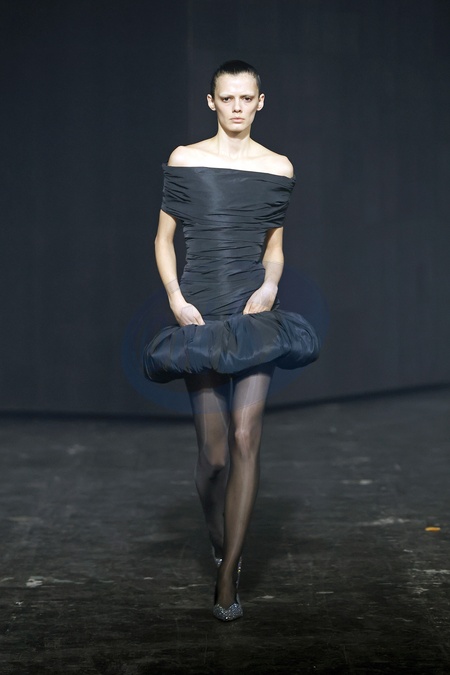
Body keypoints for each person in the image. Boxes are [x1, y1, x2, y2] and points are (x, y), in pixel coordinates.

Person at [143, 60, 320, 621]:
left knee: (246, 436)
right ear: (212, 102)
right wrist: (175, 299)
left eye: (247, 98)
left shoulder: (278, 167)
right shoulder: (185, 159)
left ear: (260, 102)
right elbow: (164, 238)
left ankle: (228, 576)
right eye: (228, 98)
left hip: (253, 313)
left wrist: (270, 286)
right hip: (199, 314)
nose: (237, 107)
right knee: (215, 455)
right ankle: (219, 540)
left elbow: (274, 247)